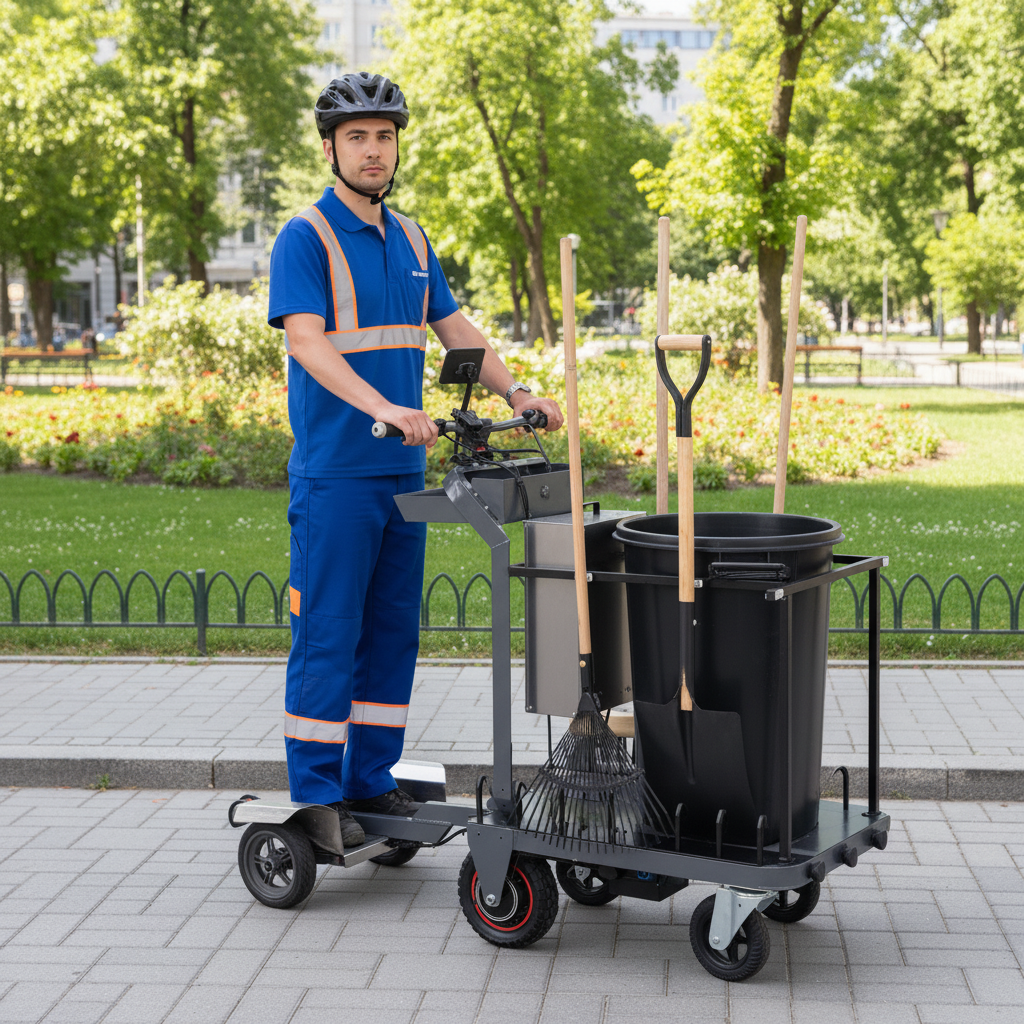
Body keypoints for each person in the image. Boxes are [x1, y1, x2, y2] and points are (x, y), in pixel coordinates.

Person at [268, 72, 563, 847]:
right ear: (330, 147)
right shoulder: (306, 237)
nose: (374, 149)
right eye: (358, 136)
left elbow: (456, 329)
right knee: (330, 630)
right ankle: (318, 795)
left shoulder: (412, 239)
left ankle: (371, 781)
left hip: (403, 477)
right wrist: (385, 408)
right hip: (337, 475)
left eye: (385, 135)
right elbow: (307, 342)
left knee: (393, 631)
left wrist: (518, 391)